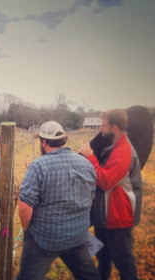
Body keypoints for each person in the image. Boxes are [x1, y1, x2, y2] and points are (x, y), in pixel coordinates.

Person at [16, 121, 100, 280]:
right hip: (78, 236)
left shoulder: (38, 166)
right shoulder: (87, 164)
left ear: (44, 142)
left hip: (44, 239)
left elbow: (25, 207)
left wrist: (26, 229)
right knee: (89, 276)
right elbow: (90, 201)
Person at [79, 109, 142, 280]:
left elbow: (106, 181)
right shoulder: (112, 147)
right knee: (103, 258)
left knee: (124, 263)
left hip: (118, 218)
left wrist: (91, 157)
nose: (101, 129)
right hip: (105, 217)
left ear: (114, 128)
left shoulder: (124, 151)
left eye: (104, 126)